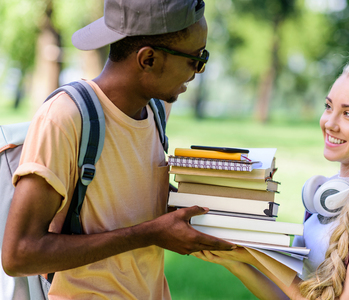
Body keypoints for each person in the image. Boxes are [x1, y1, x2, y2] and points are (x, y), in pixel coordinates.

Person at [1, 0, 235, 298]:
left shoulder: (156, 112)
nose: (198, 71)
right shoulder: (65, 117)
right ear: (148, 59)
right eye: (196, 59)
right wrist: (150, 233)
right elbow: (19, 255)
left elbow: (124, 206)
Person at [192, 50, 349, 300]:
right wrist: (237, 261)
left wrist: (264, 257)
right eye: (329, 106)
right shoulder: (328, 196)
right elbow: (294, 296)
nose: (330, 123)